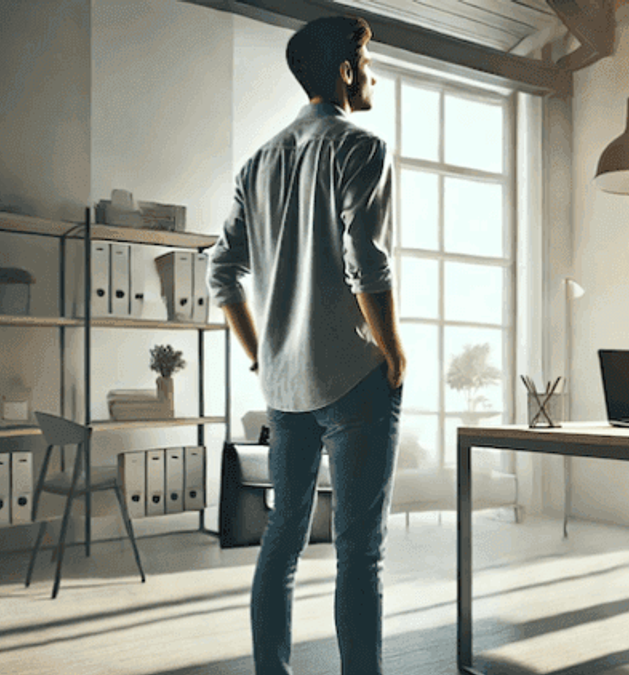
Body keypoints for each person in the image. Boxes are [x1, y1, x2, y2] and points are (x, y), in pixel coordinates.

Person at [208, 14, 405, 675]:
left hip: (285, 386)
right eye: (366, 65)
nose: (371, 77)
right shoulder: (361, 147)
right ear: (345, 72)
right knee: (360, 552)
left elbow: (221, 273)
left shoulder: (257, 163)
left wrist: (259, 354)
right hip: (353, 378)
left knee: (281, 540)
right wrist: (394, 351)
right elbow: (367, 264)